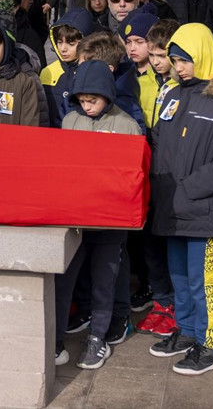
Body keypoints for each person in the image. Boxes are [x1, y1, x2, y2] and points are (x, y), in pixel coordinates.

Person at [148, 24, 213, 375]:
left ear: (203, 56)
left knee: (204, 280)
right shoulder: (173, 95)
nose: (178, 67)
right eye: (175, 60)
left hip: (202, 207)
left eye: (184, 60)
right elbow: (158, 143)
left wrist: (190, 187)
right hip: (171, 207)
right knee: (180, 274)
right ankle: (188, 331)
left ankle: (210, 345)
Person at [54, 59, 142, 369]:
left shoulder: (128, 126)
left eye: (93, 100)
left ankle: (98, 338)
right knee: (64, 280)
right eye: (81, 101)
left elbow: (133, 177)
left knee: (105, 282)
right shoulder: (70, 122)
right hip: (76, 221)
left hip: (109, 221)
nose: (87, 106)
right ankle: (55, 339)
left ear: (108, 93)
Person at [133, 19, 181, 339]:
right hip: (151, 171)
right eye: (152, 55)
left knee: (170, 244)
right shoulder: (151, 81)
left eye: (162, 55)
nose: (156, 61)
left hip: (173, 177)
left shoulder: (183, 90)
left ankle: (177, 305)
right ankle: (162, 301)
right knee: (151, 241)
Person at [40, 8, 96, 127]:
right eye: (59, 42)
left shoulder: (92, 72)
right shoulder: (47, 72)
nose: (63, 49)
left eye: (71, 44)